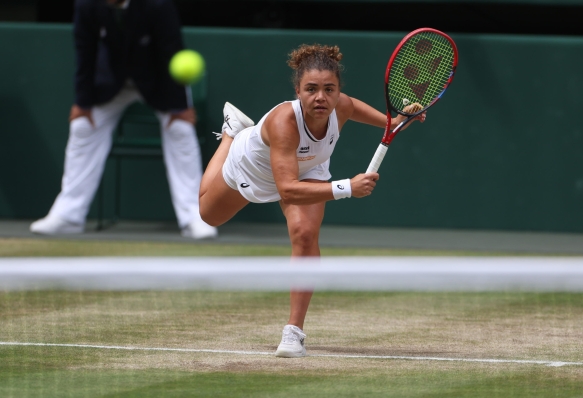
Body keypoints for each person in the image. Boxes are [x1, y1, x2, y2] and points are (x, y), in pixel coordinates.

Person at [199, 44, 425, 357]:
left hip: (309, 169)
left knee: (305, 235)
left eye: (329, 89)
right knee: (208, 215)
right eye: (311, 89)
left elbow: (390, 123)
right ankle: (231, 134)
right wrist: (347, 187)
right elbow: (288, 190)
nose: (321, 97)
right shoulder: (284, 123)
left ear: (338, 91)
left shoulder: (343, 106)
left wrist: (403, 118)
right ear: (298, 91)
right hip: (255, 167)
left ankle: (293, 333)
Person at [30, 0, 217, 239]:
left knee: (180, 130)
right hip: (111, 83)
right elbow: (85, 51)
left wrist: (179, 106)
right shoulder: (87, 5)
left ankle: (195, 217)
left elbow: (171, 49)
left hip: (158, 81)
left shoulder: (158, 5)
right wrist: (83, 102)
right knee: (82, 126)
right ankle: (68, 215)